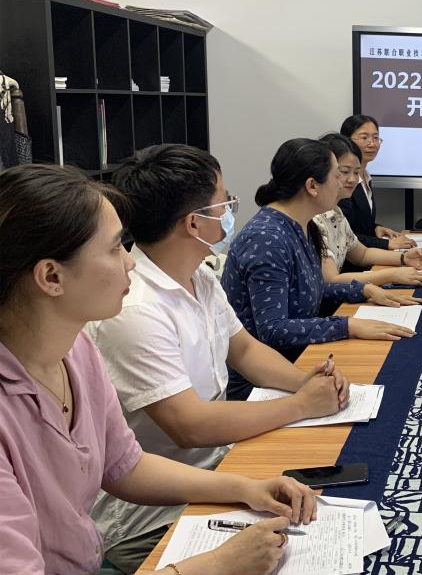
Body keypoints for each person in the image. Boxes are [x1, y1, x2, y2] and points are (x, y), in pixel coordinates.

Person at [0, 164, 320, 575]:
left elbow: (126, 465)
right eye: (115, 249)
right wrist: (217, 565)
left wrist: (245, 488)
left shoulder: (76, 349)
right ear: (51, 276)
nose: (130, 263)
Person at [87, 144, 352, 573]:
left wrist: (306, 382)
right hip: (151, 516)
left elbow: (244, 348)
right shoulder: (136, 309)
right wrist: (302, 404)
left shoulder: (200, 274)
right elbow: (189, 425)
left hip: (216, 467)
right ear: (194, 222)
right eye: (225, 202)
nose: (231, 211)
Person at [221, 138, 417, 400]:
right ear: (312, 186)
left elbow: (308, 290)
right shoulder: (267, 238)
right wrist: (347, 325)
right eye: (338, 175)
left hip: (301, 360)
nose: (344, 183)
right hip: (265, 384)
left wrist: (363, 290)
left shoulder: (301, 225)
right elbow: (274, 329)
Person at [314, 133, 422, 288]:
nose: (352, 179)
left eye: (356, 172)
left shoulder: (336, 212)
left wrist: (404, 258)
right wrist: (391, 275)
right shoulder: (315, 219)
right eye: (344, 172)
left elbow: (362, 254)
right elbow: (331, 281)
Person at [338, 114, 416, 254]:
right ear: (346, 141)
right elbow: (345, 235)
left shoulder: (366, 177)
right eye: (364, 138)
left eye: (375, 138)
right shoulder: (344, 181)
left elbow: (358, 224)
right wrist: (386, 243)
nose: (372, 143)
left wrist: (375, 228)